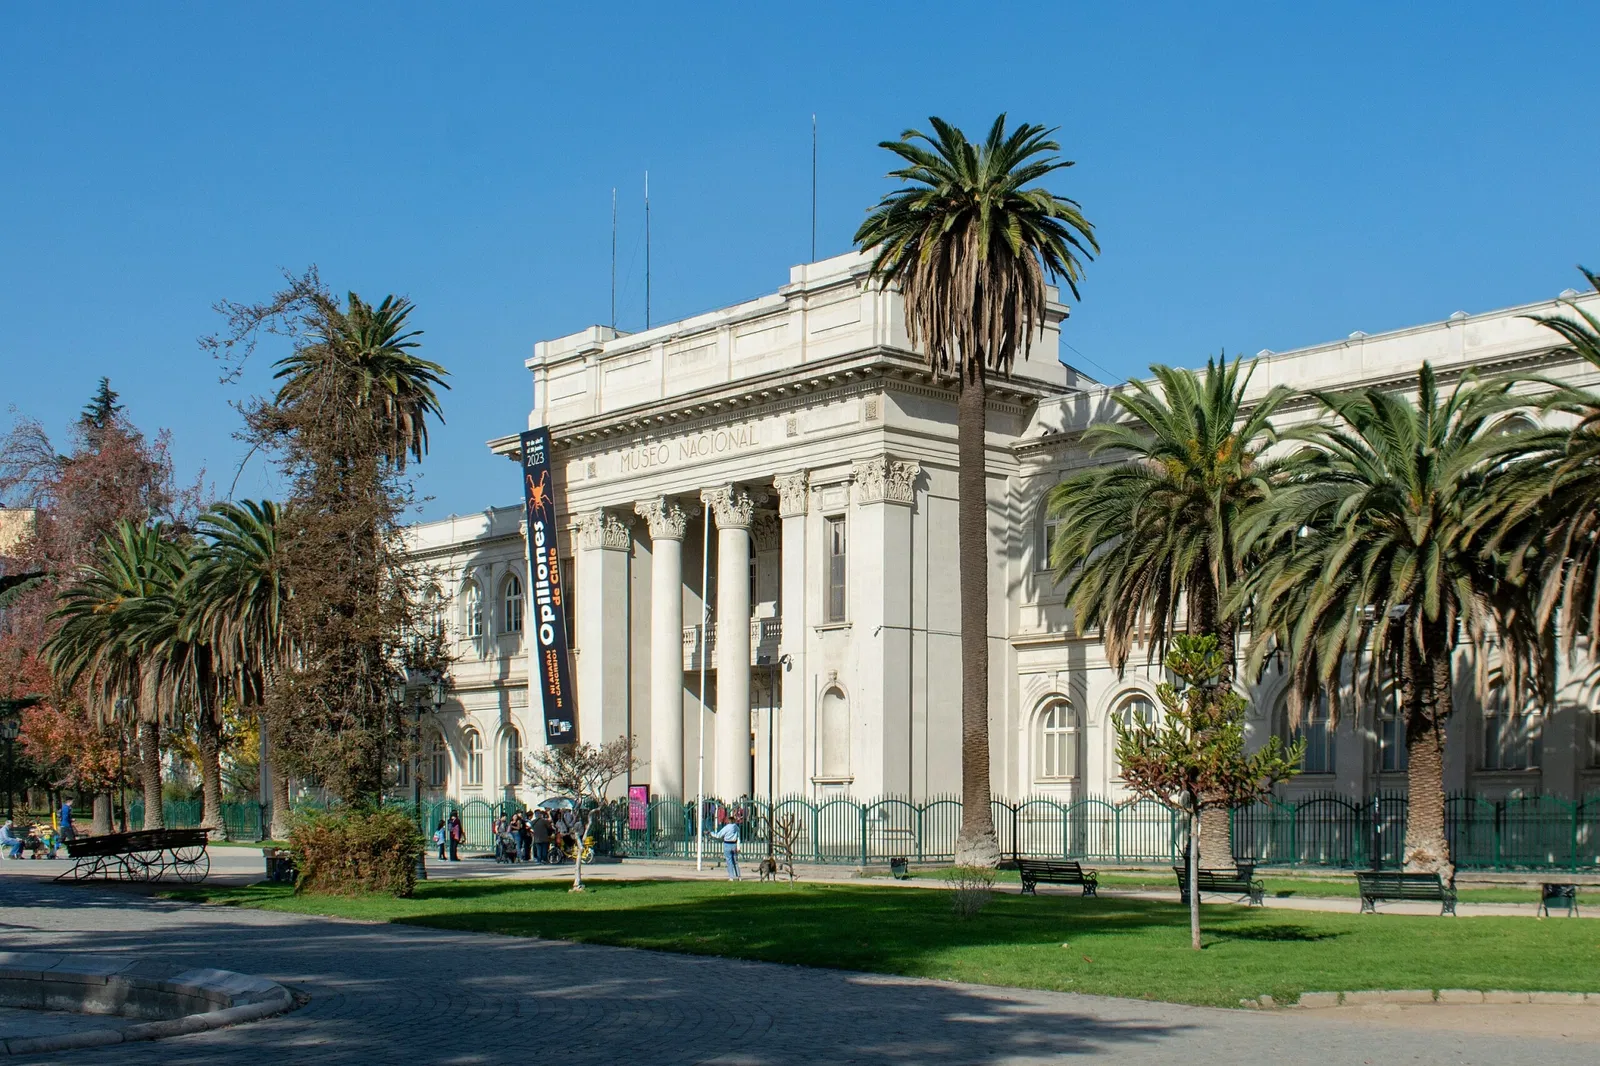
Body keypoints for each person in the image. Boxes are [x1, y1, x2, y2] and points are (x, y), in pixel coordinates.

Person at [712, 816, 741, 881]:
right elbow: (738, 837)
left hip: (727, 844)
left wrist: (711, 833)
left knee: (729, 861)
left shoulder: (726, 828)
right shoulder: (736, 827)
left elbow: (718, 835)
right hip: (734, 844)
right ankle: (739, 876)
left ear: (728, 821)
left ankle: (731, 877)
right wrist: (738, 846)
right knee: (735, 861)